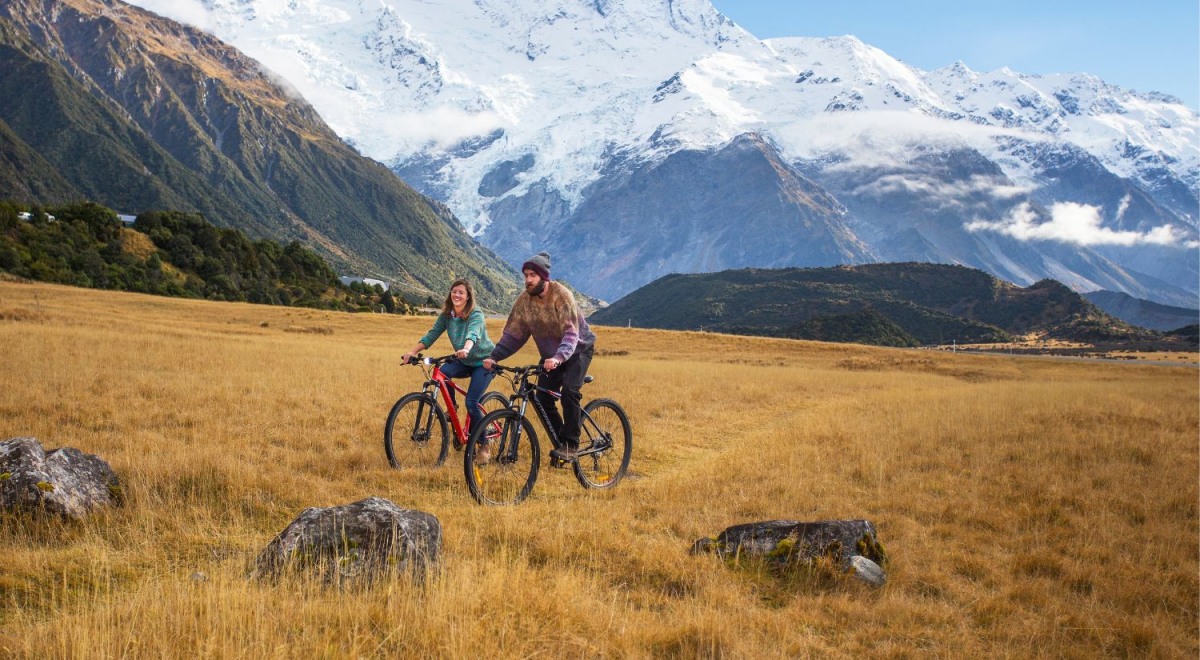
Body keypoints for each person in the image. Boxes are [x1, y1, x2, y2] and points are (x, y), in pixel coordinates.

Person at [484, 252, 596, 462]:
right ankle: (561, 442)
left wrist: (559, 357)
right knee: (543, 396)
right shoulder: (524, 301)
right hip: (551, 357)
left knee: (570, 391)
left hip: (578, 350)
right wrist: (494, 357)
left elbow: (571, 333)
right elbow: (513, 335)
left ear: (543, 277)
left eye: (532, 275)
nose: (528, 280)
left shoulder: (562, 295)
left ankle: (571, 445)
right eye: (526, 275)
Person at [400, 279, 495, 431]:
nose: (457, 295)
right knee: (442, 373)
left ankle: (484, 446)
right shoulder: (446, 315)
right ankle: (452, 408)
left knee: (471, 403)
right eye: (454, 291)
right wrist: (413, 352)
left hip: (484, 363)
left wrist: (466, 348)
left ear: (468, 296)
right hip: (464, 361)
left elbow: (473, 333)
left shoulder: (475, 314)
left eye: (461, 292)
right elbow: (432, 335)